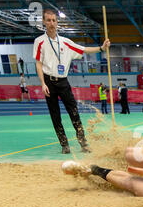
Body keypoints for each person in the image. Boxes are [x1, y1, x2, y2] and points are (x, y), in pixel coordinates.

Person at [33, 8, 110, 154]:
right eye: (48, 20)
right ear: (44, 22)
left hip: (63, 82)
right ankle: (64, 145)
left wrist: (101, 48)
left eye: (54, 20)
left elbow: (84, 49)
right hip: (49, 82)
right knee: (55, 116)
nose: (51, 23)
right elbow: (38, 63)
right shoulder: (39, 42)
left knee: (74, 112)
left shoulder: (65, 42)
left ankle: (83, 143)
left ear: (57, 22)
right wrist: (42, 83)